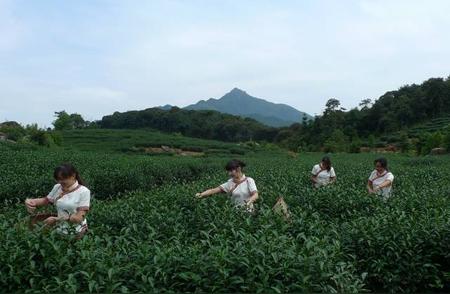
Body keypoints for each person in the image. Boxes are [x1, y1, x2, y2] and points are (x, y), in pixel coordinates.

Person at [24, 163, 91, 238]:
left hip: (76, 231)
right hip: (60, 229)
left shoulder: (84, 191)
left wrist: (56, 219)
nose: (60, 182)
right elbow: (46, 200)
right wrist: (30, 201)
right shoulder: (57, 187)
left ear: (73, 176)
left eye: (63, 179)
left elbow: (78, 218)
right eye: (58, 179)